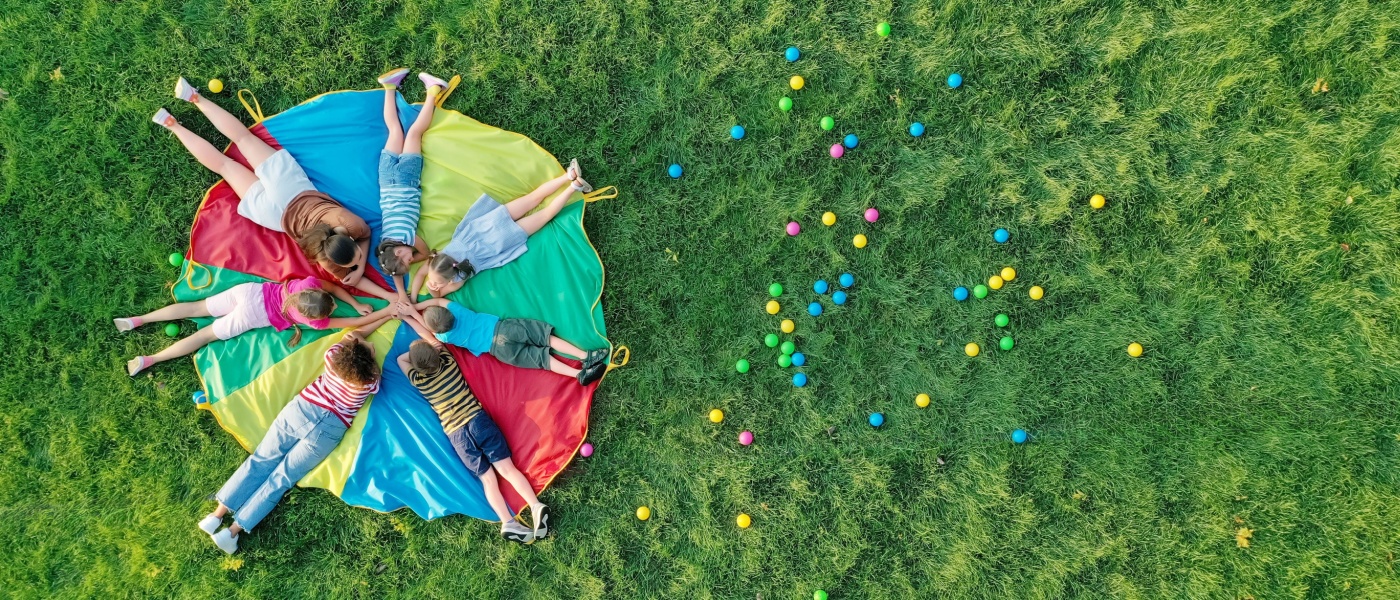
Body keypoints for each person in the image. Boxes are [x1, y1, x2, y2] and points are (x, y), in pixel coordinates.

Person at [152, 77, 392, 299]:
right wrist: (358, 269)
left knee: (243, 139)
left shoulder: (347, 222)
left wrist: (358, 262)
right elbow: (353, 274)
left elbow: (365, 234)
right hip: (272, 216)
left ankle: (195, 97)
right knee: (225, 166)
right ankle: (172, 125)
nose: (357, 261)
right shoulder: (324, 256)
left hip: (288, 187)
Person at [198, 318, 389, 554]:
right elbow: (373, 367)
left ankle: (216, 516)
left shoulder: (331, 358)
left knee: (260, 460)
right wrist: (371, 351)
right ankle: (232, 532)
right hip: (328, 431)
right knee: (282, 479)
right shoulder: (369, 383)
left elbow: (354, 335)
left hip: (302, 411)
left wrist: (361, 341)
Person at [398, 339, 549, 543]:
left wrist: (414, 354)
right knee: (507, 469)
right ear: (436, 354)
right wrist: (430, 348)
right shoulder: (448, 363)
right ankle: (535, 506)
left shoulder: (419, 380)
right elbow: (437, 345)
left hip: (457, 435)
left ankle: (507, 522)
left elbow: (401, 359)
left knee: (487, 480)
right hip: (477, 421)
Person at [116, 276, 392, 376]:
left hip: (248, 293)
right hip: (249, 315)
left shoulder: (308, 285)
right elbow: (354, 322)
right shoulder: (314, 321)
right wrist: (385, 311)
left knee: (196, 308)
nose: (333, 304)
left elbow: (329, 286)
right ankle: (150, 359)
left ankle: (138, 320)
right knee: (202, 336)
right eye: (331, 305)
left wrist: (355, 304)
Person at [410, 160, 594, 298]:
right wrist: (420, 291)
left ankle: (572, 185)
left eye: (435, 281)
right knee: (533, 198)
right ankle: (569, 177)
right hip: (491, 223)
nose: (433, 283)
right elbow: (424, 273)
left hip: (504, 239)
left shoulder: (459, 277)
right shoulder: (441, 258)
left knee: (544, 214)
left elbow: (437, 292)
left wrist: (432, 290)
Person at [402, 298, 608, 385]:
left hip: (499, 351)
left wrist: (411, 313)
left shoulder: (444, 337)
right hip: (505, 329)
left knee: (541, 359)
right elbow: (438, 301)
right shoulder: (456, 310)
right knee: (546, 338)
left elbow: (426, 329)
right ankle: (586, 356)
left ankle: (578, 374)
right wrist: (418, 304)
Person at [372, 68, 438, 303]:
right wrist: (402, 294)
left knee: (415, 133)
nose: (412, 260)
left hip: (407, 181)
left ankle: (433, 91)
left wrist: (424, 258)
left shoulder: (409, 239)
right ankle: (389, 87)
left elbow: (426, 251)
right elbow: (393, 266)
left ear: (400, 252)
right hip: (386, 180)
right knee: (395, 130)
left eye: (408, 260)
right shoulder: (385, 243)